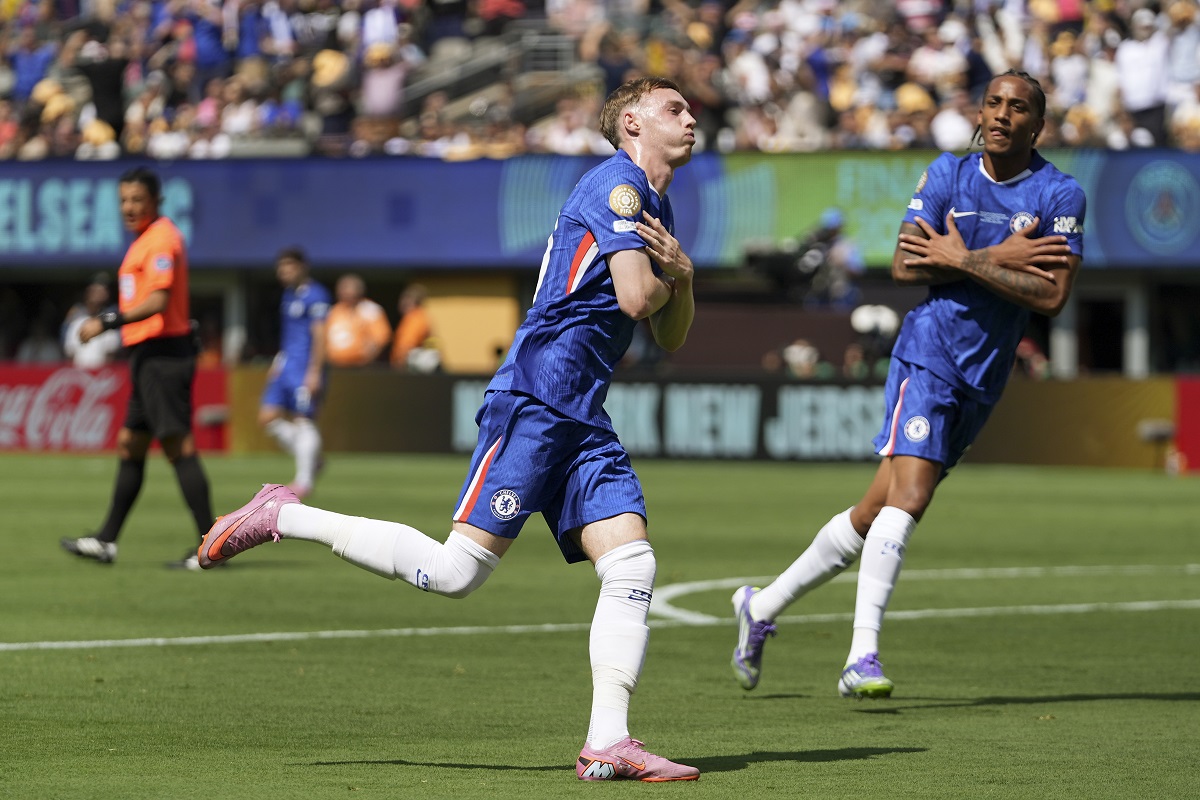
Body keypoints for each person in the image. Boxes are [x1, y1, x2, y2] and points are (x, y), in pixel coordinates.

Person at [198, 77, 700, 782]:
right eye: (674, 108)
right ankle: (284, 514)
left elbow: (670, 332)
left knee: (632, 565)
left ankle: (608, 742)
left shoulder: (657, 207)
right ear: (633, 125)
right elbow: (637, 297)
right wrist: (673, 276)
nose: (690, 117)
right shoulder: (617, 185)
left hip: (582, 412)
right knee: (454, 572)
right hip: (537, 398)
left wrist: (684, 279)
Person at [730, 70, 1085, 698]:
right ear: (980, 113)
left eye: (1018, 107)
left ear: (1038, 124)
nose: (1002, 115)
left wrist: (963, 258)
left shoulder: (1061, 195)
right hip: (928, 354)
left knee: (876, 510)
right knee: (912, 498)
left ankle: (760, 608)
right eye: (993, 103)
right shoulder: (948, 174)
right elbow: (903, 263)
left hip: (984, 375)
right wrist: (996, 259)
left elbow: (1052, 295)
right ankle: (861, 656)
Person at [60, 167, 215, 570]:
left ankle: (213, 548)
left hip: (164, 355)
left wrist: (107, 321)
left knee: (179, 448)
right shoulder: (144, 240)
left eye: (137, 200)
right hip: (148, 356)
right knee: (130, 443)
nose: (129, 207)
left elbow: (158, 302)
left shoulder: (162, 238)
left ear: (156, 201)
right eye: (123, 201)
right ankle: (106, 541)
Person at [260, 247, 330, 500]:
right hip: (287, 365)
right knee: (267, 417)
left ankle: (304, 480)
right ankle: (313, 458)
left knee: (303, 420)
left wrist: (315, 371)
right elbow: (290, 335)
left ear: (302, 267)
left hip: (304, 367)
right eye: (281, 267)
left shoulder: (317, 295)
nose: (284, 272)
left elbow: (320, 335)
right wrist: (279, 360)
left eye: (289, 266)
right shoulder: (288, 295)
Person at [325, 273, 392, 367]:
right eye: (341, 288)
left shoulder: (370, 310)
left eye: (347, 287)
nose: (343, 292)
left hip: (361, 367)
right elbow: (323, 338)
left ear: (359, 290)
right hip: (335, 366)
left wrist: (367, 361)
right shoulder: (333, 311)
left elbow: (382, 339)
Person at [63, 278, 122, 369]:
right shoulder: (76, 321)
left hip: (102, 371)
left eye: (101, 291)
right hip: (80, 370)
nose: (97, 296)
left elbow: (112, 351)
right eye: (94, 292)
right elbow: (70, 352)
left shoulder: (109, 318)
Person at [389, 283, 434, 370]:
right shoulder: (420, 316)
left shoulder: (414, 318)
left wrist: (398, 362)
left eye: (406, 300)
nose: (401, 303)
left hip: (411, 367)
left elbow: (406, 344)